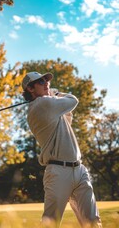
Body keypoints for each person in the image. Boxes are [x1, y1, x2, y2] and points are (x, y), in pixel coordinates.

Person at [22, 71, 102, 228]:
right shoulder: (42, 105)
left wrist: (52, 94)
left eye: (47, 81)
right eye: (41, 82)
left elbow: (68, 117)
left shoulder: (48, 105)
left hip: (79, 170)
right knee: (51, 223)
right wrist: (56, 93)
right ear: (30, 89)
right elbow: (73, 100)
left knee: (92, 222)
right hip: (58, 172)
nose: (47, 83)